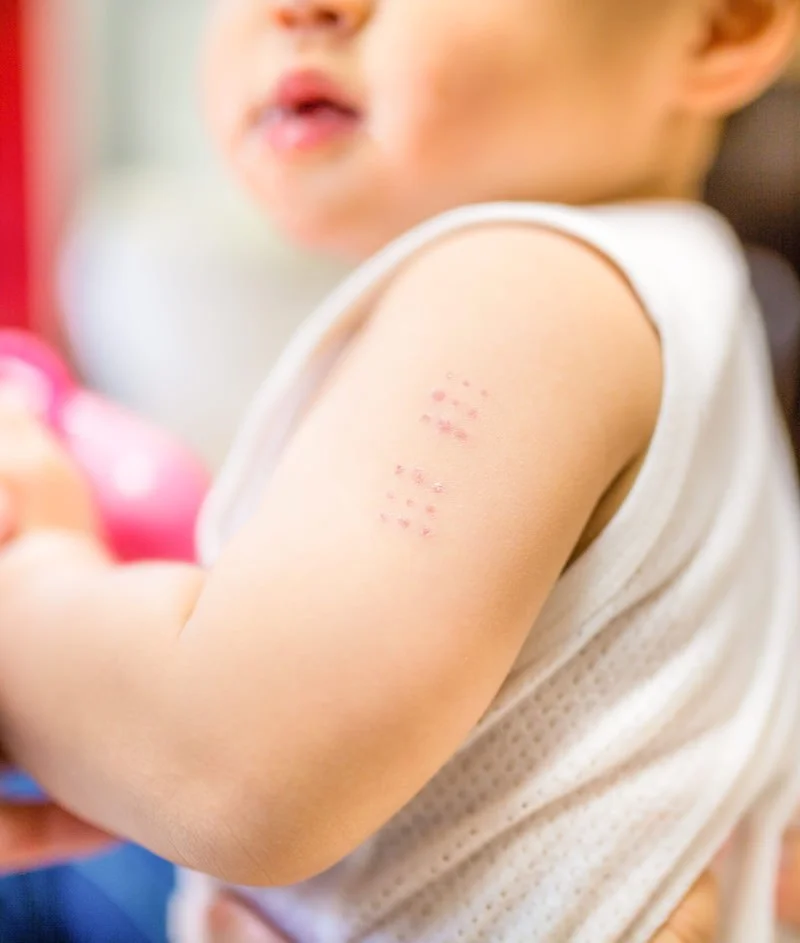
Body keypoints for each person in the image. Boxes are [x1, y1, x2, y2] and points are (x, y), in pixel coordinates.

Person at [0, 0, 798, 941]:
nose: (301, 9)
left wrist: (30, 575)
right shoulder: (692, 290)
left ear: (720, 28)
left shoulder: (522, 289)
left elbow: (237, 760)